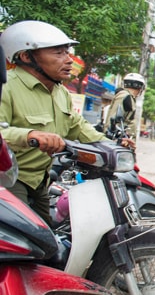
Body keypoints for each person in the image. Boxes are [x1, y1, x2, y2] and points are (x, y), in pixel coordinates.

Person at [0, 20, 132, 224]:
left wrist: (112, 145)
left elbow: (78, 127)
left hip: (40, 182)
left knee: (49, 246)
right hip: (11, 181)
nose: (69, 60)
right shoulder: (6, 87)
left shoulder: (60, 92)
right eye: (58, 53)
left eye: (67, 52)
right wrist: (29, 135)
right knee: (26, 244)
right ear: (27, 56)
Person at [104, 72, 145, 139]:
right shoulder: (125, 96)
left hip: (124, 139)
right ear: (140, 87)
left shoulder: (129, 97)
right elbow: (113, 119)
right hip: (118, 140)